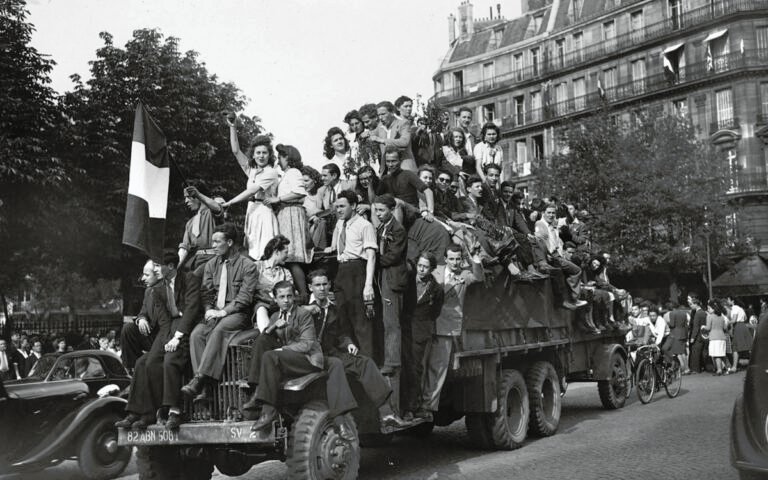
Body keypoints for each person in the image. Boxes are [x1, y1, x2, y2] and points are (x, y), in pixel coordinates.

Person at [304, 269, 406, 428]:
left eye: (325, 284)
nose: (322, 288)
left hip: (331, 352)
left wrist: (348, 343)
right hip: (310, 354)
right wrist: (305, 310)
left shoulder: (334, 308)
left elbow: (341, 333)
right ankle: (343, 418)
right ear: (310, 287)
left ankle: (386, 413)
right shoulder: (302, 305)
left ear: (330, 285)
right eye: (317, 285)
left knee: (365, 363)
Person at [116, 251, 201, 430]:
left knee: (169, 361)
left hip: (185, 327)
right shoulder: (157, 289)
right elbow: (162, 319)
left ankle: (173, 410)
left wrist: (177, 337)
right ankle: (140, 412)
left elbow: (192, 309)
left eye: (156, 266)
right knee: (143, 362)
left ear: (170, 267)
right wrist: (143, 319)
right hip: (167, 329)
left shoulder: (189, 279)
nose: (154, 270)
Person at [182, 223, 258, 400]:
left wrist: (223, 312)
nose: (213, 246)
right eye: (212, 242)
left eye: (217, 242)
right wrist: (209, 310)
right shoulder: (210, 265)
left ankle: (200, 380)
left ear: (230, 242)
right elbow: (206, 292)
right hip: (215, 312)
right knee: (196, 334)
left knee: (219, 330)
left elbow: (245, 298)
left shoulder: (248, 265)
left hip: (237, 314)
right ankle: (205, 388)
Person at [247, 281, 324, 434]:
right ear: (275, 299)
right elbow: (266, 340)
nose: (286, 300)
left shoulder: (303, 314)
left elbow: (307, 344)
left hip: (308, 359)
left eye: (289, 296)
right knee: (262, 340)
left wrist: (282, 349)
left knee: (270, 356)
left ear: (294, 297)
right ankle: (256, 390)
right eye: (281, 297)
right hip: (288, 359)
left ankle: (269, 411)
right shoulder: (276, 316)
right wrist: (274, 326)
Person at [418, 243, 484, 420]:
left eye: (458, 259)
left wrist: (476, 258)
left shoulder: (465, 275)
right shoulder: (435, 271)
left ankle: (427, 407)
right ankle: (414, 404)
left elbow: (479, 277)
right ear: (445, 259)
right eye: (451, 259)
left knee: (437, 369)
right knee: (420, 366)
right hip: (426, 325)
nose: (455, 263)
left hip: (446, 328)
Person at [324, 190, 377, 358]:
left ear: (353, 206)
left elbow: (371, 256)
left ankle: (368, 363)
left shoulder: (365, 225)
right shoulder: (340, 223)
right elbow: (337, 244)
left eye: (342, 206)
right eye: (336, 207)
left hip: (357, 271)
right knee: (342, 317)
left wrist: (368, 285)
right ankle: (351, 361)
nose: (338, 210)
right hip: (341, 271)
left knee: (360, 320)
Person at [224, 123, 280, 260]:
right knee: (251, 251)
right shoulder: (252, 171)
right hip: (252, 211)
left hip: (264, 212)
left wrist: (229, 202)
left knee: (264, 251)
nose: (261, 156)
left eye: (264, 153)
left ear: (269, 155)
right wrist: (232, 127)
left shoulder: (271, 172)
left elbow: (252, 191)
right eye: (258, 153)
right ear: (253, 155)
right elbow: (236, 151)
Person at [402, 253, 444, 418]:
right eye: (419, 265)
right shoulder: (408, 281)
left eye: (425, 267)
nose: (421, 269)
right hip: (404, 329)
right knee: (402, 366)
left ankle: (412, 406)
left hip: (420, 332)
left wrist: (422, 325)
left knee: (414, 368)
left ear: (432, 269)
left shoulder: (436, 289)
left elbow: (435, 312)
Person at [266, 144, 311, 300]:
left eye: (281, 157)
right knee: (288, 257)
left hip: (292, 213)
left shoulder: (293, 172)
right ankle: (298, 293)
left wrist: (277, 199)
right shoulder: (287, 174)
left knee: (292, 256)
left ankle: (304, 294)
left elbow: (300, 192)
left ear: (289, 157)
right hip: (286, 213)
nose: (279, 161)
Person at [372, 194, 409, 373]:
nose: (378, 214)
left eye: (381, 210)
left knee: (391, 322)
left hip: (393, 279)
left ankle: (392, 362)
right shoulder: (382, 228)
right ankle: (385, 357)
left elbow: (393, 256)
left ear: (391, 209)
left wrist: (373, 261)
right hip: (383, 277)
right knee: (384, 320)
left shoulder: (398, 229)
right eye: (376, 210)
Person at [535, 204, 587, 310]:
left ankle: (573, 298)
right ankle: (572, 299)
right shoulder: (540, 224)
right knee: (576, 271)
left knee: (575, 268)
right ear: (543, 213)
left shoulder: (553, 223)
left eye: (553, 213)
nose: (551, 215)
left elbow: (570, 220)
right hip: (550, 256)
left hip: (557, 255)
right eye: (548, 212)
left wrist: (566, 211)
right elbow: (540, 241)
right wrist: (547, 255)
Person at [120, 260, 164, 371]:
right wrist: (142, 319)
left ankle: (142, 367)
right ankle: (131, 368)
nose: (143, 278)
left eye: (147, 275)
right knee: (128, 329)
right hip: (152, 335)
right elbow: (143, 312)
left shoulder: (168, 290)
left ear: (158, 275)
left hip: (165, 337)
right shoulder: (148, 291)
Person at [178, 181, 224, 271]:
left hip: (214, 260)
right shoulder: (190, 223)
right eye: (185, 198)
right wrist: (174, 269)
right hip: (196, 262)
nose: (186, 201)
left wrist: (198, 194)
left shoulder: (211, 213)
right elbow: (184, 249)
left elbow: (218, 208)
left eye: (188, 197)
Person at [252, 235, 294, 333]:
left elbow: (290, 289)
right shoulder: (257, 267)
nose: (287, 256)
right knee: (261, 309)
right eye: (286, 252)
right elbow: (251, 287)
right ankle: (266, 335)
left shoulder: (285, 272)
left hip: (280, 304)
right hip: (262, 303)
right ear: (277, 252)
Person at [378, 146, 435, 218]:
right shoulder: (385, 179)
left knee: (397, 202)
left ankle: (398, 229)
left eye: (393, 161)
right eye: (388, 161)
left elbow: (428, 191)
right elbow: (376, 199)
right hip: (394, 211)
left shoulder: (408, 174)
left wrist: (430, 212)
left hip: (411, 211)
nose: (390, 165)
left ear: (400, 160)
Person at [366, 101, 416, 173]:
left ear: (392, 112)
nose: (380, 117)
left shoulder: (403, 123)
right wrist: (365, 135)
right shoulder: (380, 127)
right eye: (378, 115)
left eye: (383, 114)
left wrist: (382, 140)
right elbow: (371, 133)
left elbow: (404, 142)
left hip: (405, 170)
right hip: (388, 172)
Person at [301, 165, 326, 248]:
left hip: (319, 226)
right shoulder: (302, 197)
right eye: (302, 181)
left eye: (306, 181)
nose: (303, 184)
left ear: (314, 180)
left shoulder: (322, 193)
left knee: (321, 222)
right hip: (305, 228)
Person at [703, 299, 729, 375]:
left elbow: (708, 328)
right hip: (722, 337)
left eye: (709, 308)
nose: (708, 310)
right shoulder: (721, 316)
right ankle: (726, 367)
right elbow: (725, 328)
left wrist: (703, 327)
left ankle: (719, 370)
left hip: (714, 337)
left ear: (713, 308)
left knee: (716, 355)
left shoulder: (709, 317)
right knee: (721, 354)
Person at [664, 301, 690, 373]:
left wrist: (668, 323)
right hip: (683, 333)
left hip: (675, 334)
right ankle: (686, 368)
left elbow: (672, 325)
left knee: (678, 352)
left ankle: (684, 368)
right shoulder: (684, 313)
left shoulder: (672, 313)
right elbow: (686, 325)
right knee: (683, 352)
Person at [727, 296, 751, 373]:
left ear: (732, 301)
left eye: (728, 300)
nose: (728, 301)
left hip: (738, 327)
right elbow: (745, 318)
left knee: (735, 347)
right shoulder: (741, 308)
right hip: (743, 326)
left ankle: (734, 367)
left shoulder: (734, 308)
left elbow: (733, 320)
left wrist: (727, 322)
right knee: (747, 346)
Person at [688, 293, 709, 374]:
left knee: (695, 352)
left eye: (691, 304)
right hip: (704, 334)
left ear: (695, 304)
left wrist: (692, 337)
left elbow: (696, 327)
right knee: (702, 352)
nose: (690, 306)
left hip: (698, 336)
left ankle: (696, 369)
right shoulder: (703, 312)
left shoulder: (697, 313)